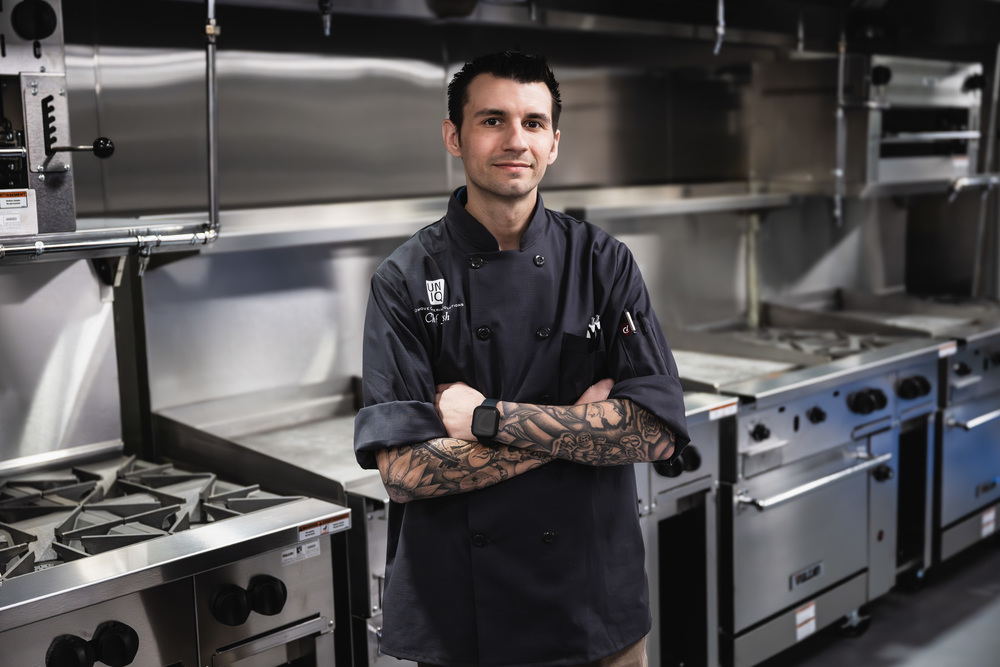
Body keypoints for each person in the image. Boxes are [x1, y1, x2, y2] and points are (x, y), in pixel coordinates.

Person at [354, 51, 689, 667]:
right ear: (455, 137)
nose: (516, 140)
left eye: (533, 123)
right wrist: (580, 427)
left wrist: (488, 420)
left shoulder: (603, 262)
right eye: (492, 120)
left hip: (595, 602)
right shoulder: (405, 279)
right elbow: (403, 472)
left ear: (555, 142)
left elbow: (656, 431)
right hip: (462, 615)